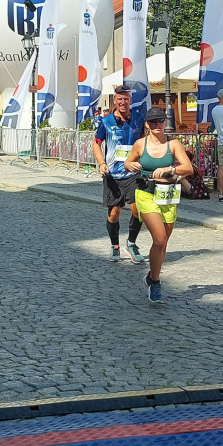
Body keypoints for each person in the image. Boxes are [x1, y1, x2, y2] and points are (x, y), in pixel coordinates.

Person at [123, 107, 193, 303]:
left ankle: (152, 276)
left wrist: (169, 168)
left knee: (162, 244)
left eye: (160, 121)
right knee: (160, 239)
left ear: (165, 123)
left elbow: (188, 168)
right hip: (146, 193)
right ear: (147, 124)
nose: (157, 125)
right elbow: (127, 163)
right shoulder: (140, 144)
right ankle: (156, 282)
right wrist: (131, 165)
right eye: (153, 122)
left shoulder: (173, 144)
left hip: (168, 195)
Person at [92, 86, 145, 264]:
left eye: (126, 99)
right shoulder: (106, 121)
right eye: (120, 99)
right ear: (115, 100)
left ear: (130, 100)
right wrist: (101, 163)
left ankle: (131, 243)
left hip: (133, 173)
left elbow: (145, 142)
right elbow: (96, 143)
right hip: (113, 174)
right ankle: (115, 245)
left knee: (138, 210)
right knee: (114, 213)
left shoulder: (138, 119)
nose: (123, 102)